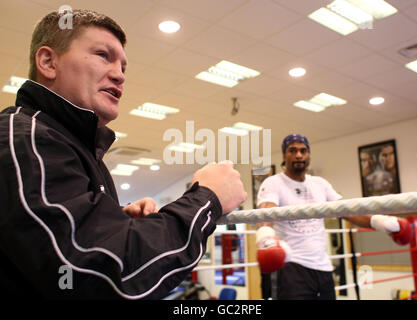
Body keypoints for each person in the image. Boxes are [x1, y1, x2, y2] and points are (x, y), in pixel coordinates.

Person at [0, 9, 247, 299]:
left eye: (124, 67)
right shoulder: (25, 139)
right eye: (103, 55)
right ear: (48, 62)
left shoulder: (75, 148)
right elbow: (98, 278)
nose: (119, 75)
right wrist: (208, 198)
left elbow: (53, 247)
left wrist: (115, 221)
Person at [255, 134, 411, 300]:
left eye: (303, 150)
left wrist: (382, 222)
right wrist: (266, 239)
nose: (299, 155)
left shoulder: (320, 184)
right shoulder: (273, 183)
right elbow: (266, 211)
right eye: (292, 150)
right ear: (284, 156)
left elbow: (347, 210)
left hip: (323, 268)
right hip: (292, 267)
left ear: (309, 155)